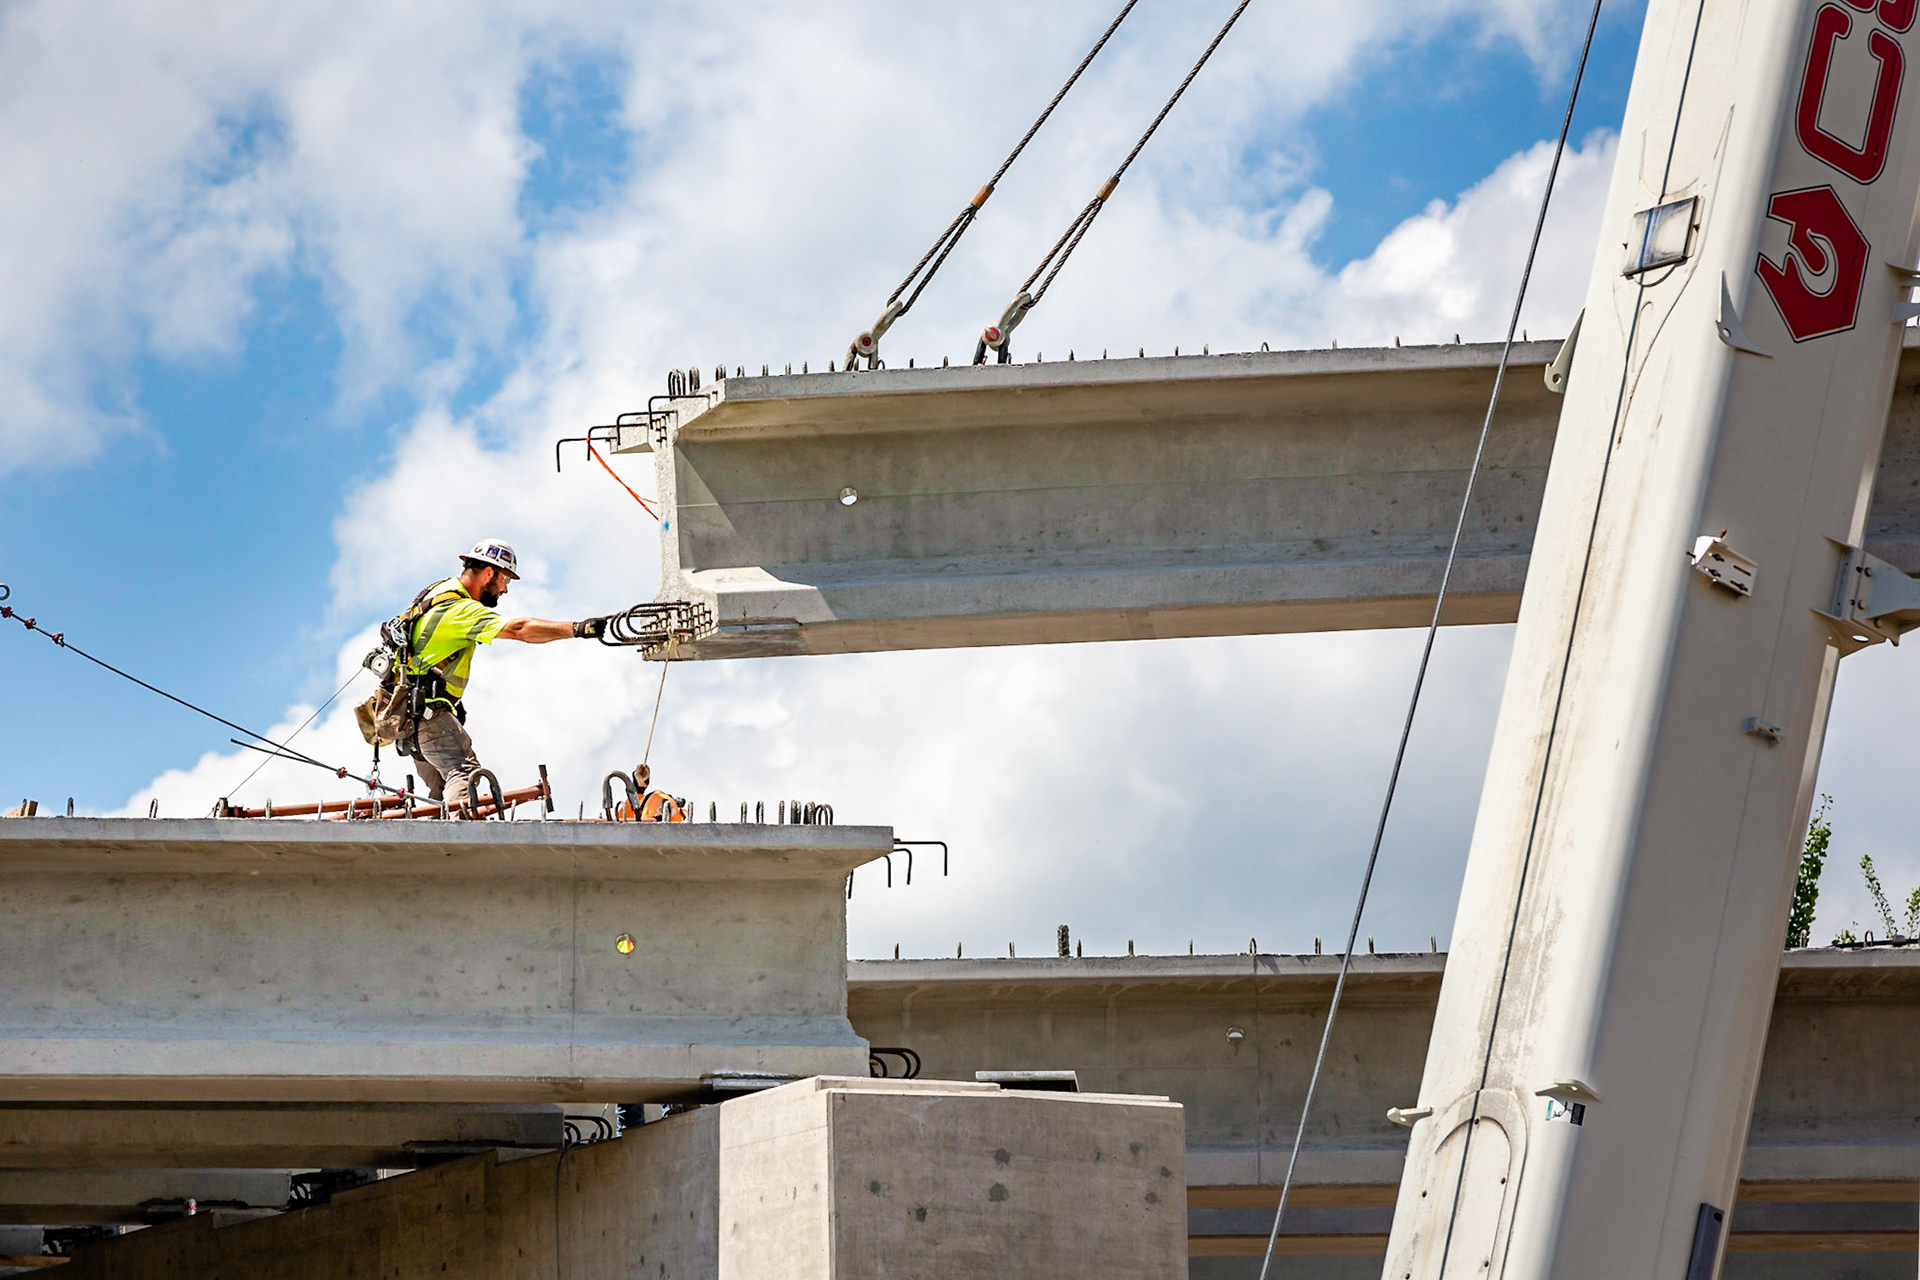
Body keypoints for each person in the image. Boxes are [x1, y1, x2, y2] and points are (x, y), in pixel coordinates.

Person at [396, 539, 607, 812]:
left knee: (440, 792)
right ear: (488, 573)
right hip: (428, 717)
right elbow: (519, 629)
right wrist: (578, 629)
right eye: (504, 579)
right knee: (463, 773)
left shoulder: (440, 590)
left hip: (408, 718)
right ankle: (456, 842)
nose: (505, 589)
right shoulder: (460, 610)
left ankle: (436, 843)